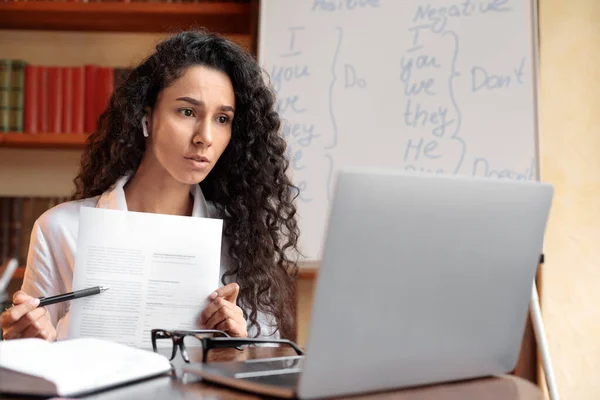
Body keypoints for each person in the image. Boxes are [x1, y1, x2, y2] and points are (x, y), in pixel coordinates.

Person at [0, 30, 300, 342]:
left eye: (222, 119)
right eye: (187, 112)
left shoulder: (240, 237)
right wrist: (32, 342)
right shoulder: (60, 229)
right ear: (146, 118)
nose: (205, 137)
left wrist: (236, 347)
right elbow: (36, 367)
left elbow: (262, 373)